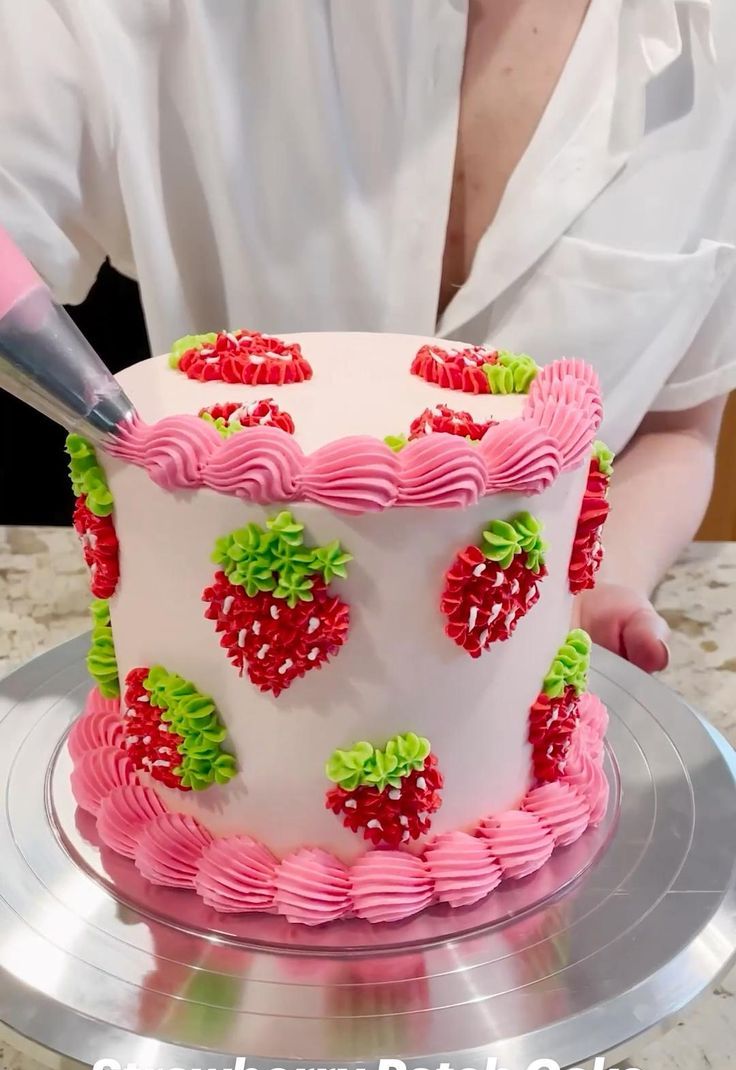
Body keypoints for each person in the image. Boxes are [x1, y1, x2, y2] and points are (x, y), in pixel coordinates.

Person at [1, 0, 735, 672]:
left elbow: (679, 429)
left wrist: (604, 584)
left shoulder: (717, 48)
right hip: (237, 667)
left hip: (515, 699)